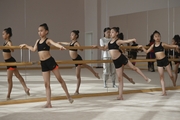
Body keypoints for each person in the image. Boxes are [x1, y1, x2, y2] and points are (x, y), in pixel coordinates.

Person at [20, 23, 73, 108]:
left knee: (60, 79)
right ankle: (48, 103)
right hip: (43, 63)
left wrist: (61, 47)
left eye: (41, 31)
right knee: (46, 84)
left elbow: (55, 43)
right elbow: (33, 49)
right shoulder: (37, 41)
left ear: (46, 31)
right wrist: (26, 45)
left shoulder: (47, 40)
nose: (39, 32)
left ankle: (68, 96)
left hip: (50, 62)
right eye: (38, 31)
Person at [95, 27, 151, 100]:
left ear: (116, 33)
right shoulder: (109, 43)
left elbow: (125, 41)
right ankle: (120, 96)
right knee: (119, 78)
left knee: (133, 68)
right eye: (110, 32)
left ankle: (146, 78)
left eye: (112, 32)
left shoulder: (118, 41)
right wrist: (97, 47)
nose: (110, 33)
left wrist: (132, 39)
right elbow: (104, 48)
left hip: (121, 58)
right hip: (115, 61)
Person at [58, 30, 100, 95]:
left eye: (72, 35)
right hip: (75, 60)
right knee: (86, 66)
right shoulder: (71, 43)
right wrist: (60, 42)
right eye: (70, 34)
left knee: (78, 76)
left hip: (78, 59)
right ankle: (95, 73)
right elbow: (66, 43)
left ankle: (77, 90)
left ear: (76, 36)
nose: (71, 36)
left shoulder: (76, 43)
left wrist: (78, 47)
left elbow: (81, 49)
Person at [140, 30, 178, 96]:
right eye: (156, 36)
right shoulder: (153, 45)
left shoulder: (162, 44)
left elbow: (169, 46)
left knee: (171, 75)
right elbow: (146, 51)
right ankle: (164, 92)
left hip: (165, 60)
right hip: (159, 62)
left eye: (158, 36)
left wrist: (176, 46)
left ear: (160, 37)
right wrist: (142, 47)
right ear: (154, 38)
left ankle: (173, 82)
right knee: (161, 77)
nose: (157, 37)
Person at [2, 27, 30, 100]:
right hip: (8, 62)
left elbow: (12, 50)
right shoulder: (5, 42)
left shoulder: (9, 42)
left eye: (3, 34)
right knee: (18, 76)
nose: (2, 35)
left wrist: (9, 46)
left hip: (10, 62)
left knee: (9, 79)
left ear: (8, 35)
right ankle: (26, 88)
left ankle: (8, 95)